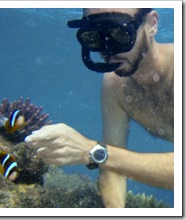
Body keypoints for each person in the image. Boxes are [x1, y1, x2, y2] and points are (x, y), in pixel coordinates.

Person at [25, 8, 174, 208]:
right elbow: (111, 169)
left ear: (152, 24)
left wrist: (92, 150)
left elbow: (106, 157)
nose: (108, 51)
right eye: (94, 37)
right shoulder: (115, 86)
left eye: (119, 34)